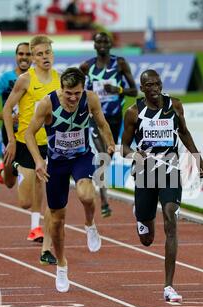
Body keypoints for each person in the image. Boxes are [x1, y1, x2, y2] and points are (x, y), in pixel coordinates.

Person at [25, 67, 115, 293]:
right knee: (56, 220)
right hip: (56, 162)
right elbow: (29, 133)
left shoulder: (90, 99)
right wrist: (38, 161)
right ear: (61, 89)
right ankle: (62, 265)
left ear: (83, 89)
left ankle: (89, 224)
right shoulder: (48, 104)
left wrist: (110, 142)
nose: (73, 98)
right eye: (68, 93)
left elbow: (102, 124)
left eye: (77, 93)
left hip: (82, 157)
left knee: (86, 194)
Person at [121, 69, 203, 303]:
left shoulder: (175, 106)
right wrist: (135, 156)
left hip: (170, 168)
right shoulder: (133, 112)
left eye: (157, 83)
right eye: (149, 85)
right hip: (145, 171)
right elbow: (124, 147)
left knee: (171, 219)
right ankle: (140, 214)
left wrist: (197, 158)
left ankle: (169, 286)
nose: (155, 88)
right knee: (147, 239)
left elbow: (184, 132)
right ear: (142, 88)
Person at [3, 35, 59, 265]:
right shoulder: (25, 80)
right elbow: (7, 110)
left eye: (47, 53)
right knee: (24, 202)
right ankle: (9, 167)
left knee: (46, 190)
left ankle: (40, 234)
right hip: (26, 142)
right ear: (33, 58)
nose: (44, 57)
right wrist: (11, 141)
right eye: (39, 54)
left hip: (52, 144)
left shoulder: (60, 79)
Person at [80, 32, 138, 217]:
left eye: (106, 41)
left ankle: (98, 185)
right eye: (99, 42)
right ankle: (104, 202)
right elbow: (76, 89)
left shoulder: (119, 63)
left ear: (110, 44)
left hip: (114, 118)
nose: (103, 44)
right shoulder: (86, 66)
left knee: (108, 157)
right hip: (96, 119)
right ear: (94, 45)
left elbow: (134, 91)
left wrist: (117, 89)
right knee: (103, 155)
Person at [0, 42, 32, 188]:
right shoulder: (6, 78)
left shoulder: (37, 78)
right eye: (21, 54)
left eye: (28, 54)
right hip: (11, 131)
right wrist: (8, 118)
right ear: (16, 56)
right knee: (9, 183)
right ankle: (3, 170)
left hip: (31, 131)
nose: (24, 57)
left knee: (33, 171)